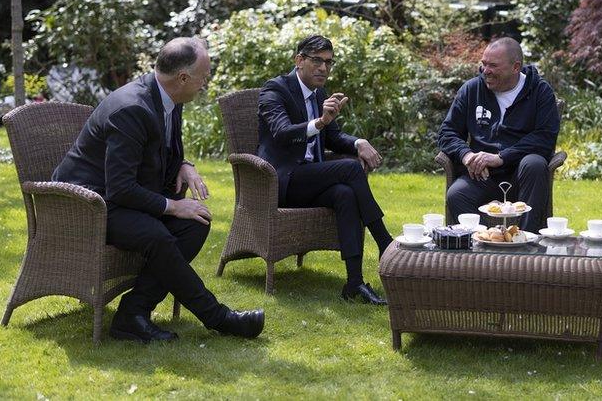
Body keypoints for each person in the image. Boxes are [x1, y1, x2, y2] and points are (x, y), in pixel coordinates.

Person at [53, 37, 264, 343]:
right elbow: (121, 188)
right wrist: (174, 206)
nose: (205, 83)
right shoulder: (131, 109)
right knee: (158, 235)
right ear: (183, 78)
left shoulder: (168, 98)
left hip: (118, 196)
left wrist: (185, 165)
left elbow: (164, 151)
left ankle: (132, 314)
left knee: (195, 224)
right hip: (88, 205)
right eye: (203, 77)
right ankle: (218, 318)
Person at [257, 35, 392, 305]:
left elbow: (334, 138)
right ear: (299, 61)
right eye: (317, 61)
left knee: (345, 194)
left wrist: (358, 142)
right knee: (352, 170)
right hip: (281, 182)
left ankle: (354, 283)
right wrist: (319, 122)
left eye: (329, 63)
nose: (323, 68)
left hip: (310, 178)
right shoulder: (275, 90)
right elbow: (282, 133)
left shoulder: (319, 94)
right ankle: (385, 242)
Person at [438, 37, 560, 232]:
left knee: (535, 163)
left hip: (522, 176)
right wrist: (467, 155)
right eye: (484, 64)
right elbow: (447, 132)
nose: (486, 71)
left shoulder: (540, 92)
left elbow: (545, 138)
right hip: (482, 175)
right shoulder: (472, 90)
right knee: (457, 194)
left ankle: (526, 243)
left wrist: (501, 158)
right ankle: (486, 243)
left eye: (493, 66)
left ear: (515, 67)